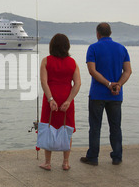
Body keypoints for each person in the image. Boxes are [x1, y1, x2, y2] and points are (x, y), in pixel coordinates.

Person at [80, 22, 131, 166]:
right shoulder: (122, 49)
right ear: (110, 33)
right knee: (115, 127)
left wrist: (108, 84)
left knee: (95, 127)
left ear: (97, 34)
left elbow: (92, 71)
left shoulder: (93, 48)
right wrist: (118, 84)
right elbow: (128, 71)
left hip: (97, 94)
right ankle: (117, 156)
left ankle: (93, 157)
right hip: (116, 95)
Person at [39, 33, 81, 171]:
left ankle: (47, 162)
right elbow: (77, 83)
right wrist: (69, 101)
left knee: (48, 127)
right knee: (66, 129)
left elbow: (44, 82)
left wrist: (50, 99)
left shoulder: (46, 61)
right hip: (66, 99)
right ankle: (65, 162)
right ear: (67, 46)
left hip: (50, 99)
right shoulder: (73, 63)